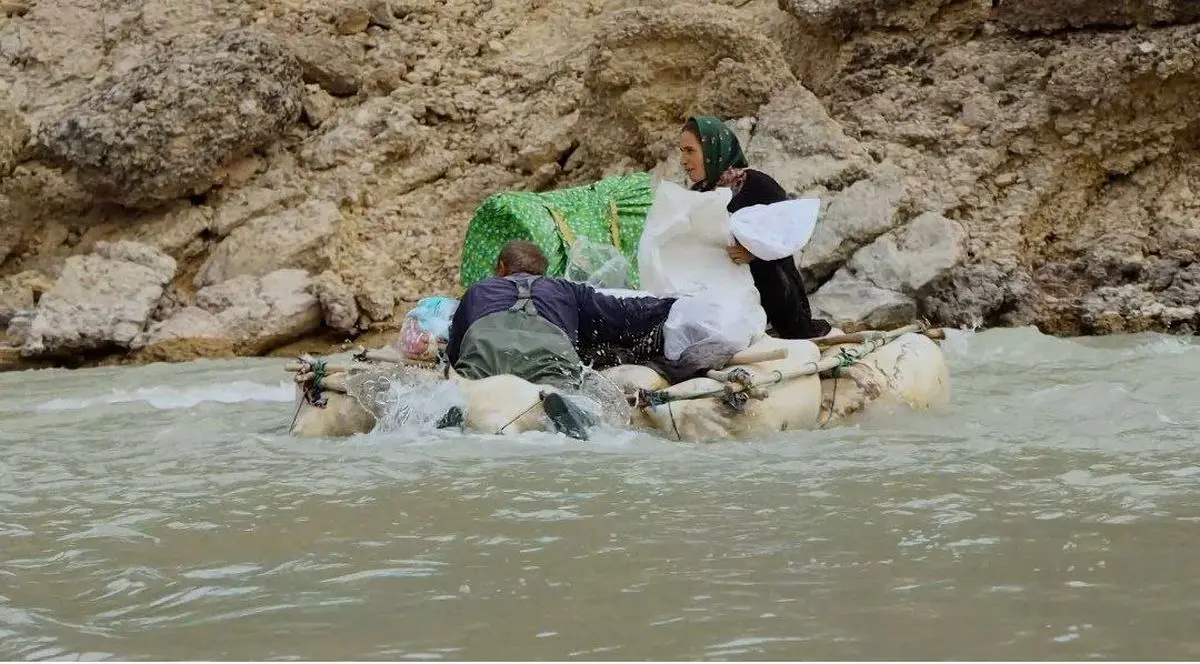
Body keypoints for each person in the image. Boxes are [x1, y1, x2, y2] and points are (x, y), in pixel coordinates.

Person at [441, 240, 677, 439]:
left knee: (460, 383)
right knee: (577, 393)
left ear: (501, 268)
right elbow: (624, 315)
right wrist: (671, 304)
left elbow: (453, 356)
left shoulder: (477, 291)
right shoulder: (564, 289)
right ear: (544, 271)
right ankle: (573, 410)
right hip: (548, 364)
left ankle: (454, 409)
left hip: (483, 365)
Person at [679, 116, 832, 340]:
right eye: (682, 151)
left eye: (690, 151)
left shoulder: (757, 186)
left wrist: (754, 252)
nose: (683, 160)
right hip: (724, 301)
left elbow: (787, 236)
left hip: (776, 297)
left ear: (713, 150)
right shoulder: (699, 196)